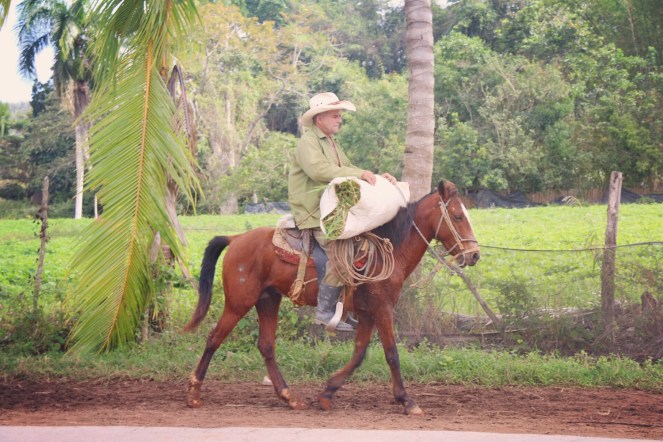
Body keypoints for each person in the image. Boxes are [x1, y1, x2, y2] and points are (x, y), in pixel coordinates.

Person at [288, 92, 397, 332]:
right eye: (335, 116)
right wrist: (359, 174)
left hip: (332, 210)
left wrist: (375, 177)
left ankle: (344, 308)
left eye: (339, 115)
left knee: (363, 246)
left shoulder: (332, 143)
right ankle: (324, 313)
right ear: (319, 118)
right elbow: (319, 170)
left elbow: (349, 168)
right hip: (314, 213)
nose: (340, 119)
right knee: (340, 254)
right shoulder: (308, 142)